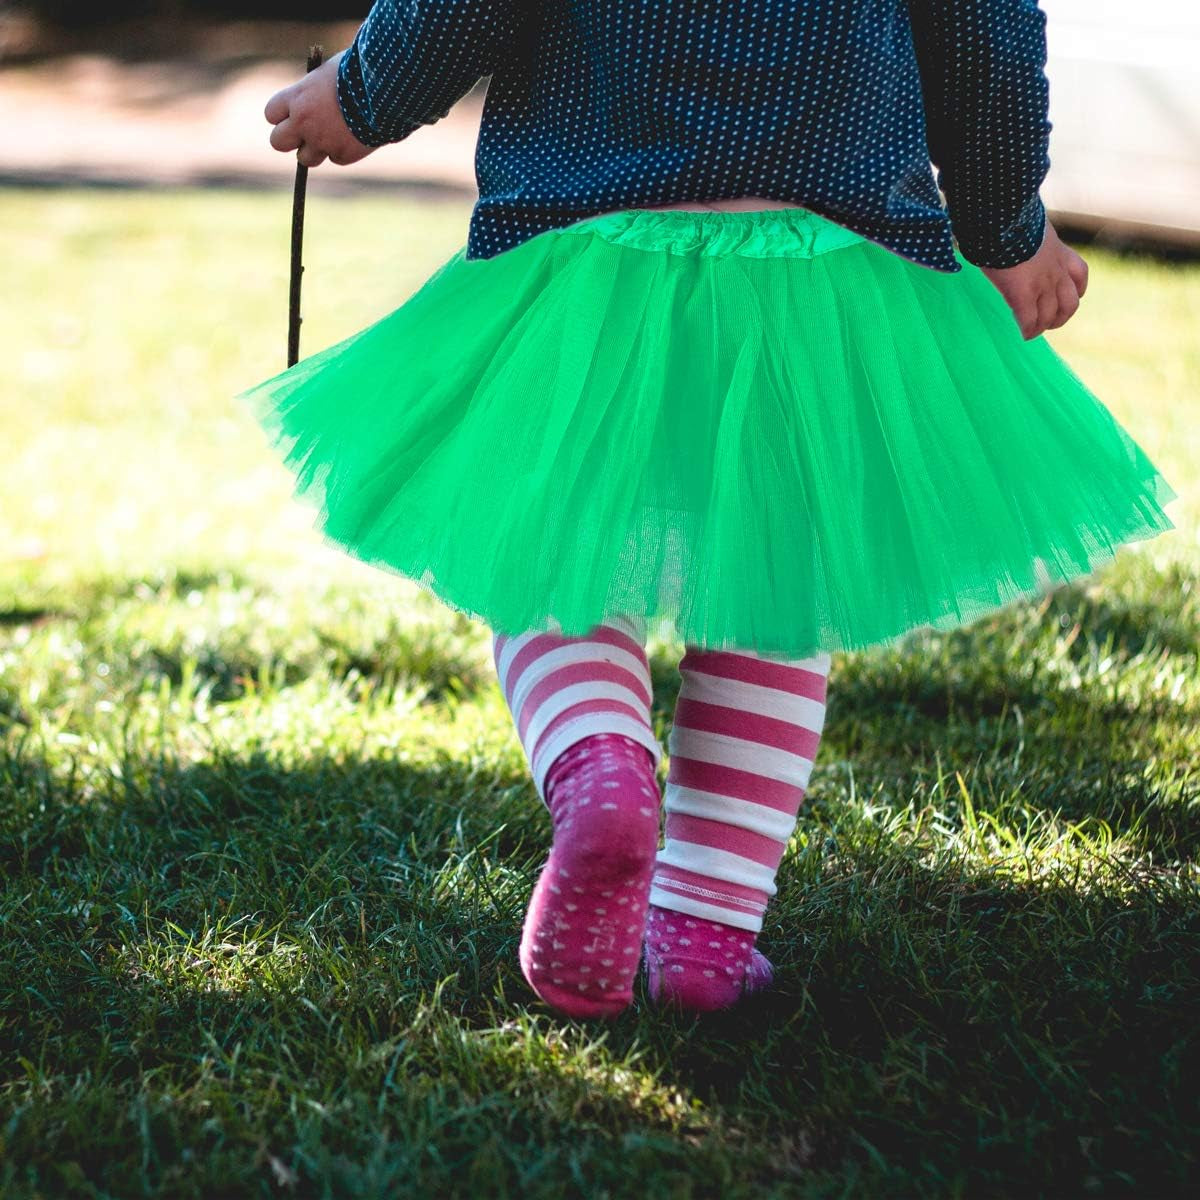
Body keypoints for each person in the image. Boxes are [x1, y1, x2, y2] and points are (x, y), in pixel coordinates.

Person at [244, 1, 1177, 1019]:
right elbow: (983, 27)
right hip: (826, 255)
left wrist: (367, 93)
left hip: (592, 242)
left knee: (559, 548)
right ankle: (704, 935)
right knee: (777, 581)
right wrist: (1006, 226)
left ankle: (600, 763)